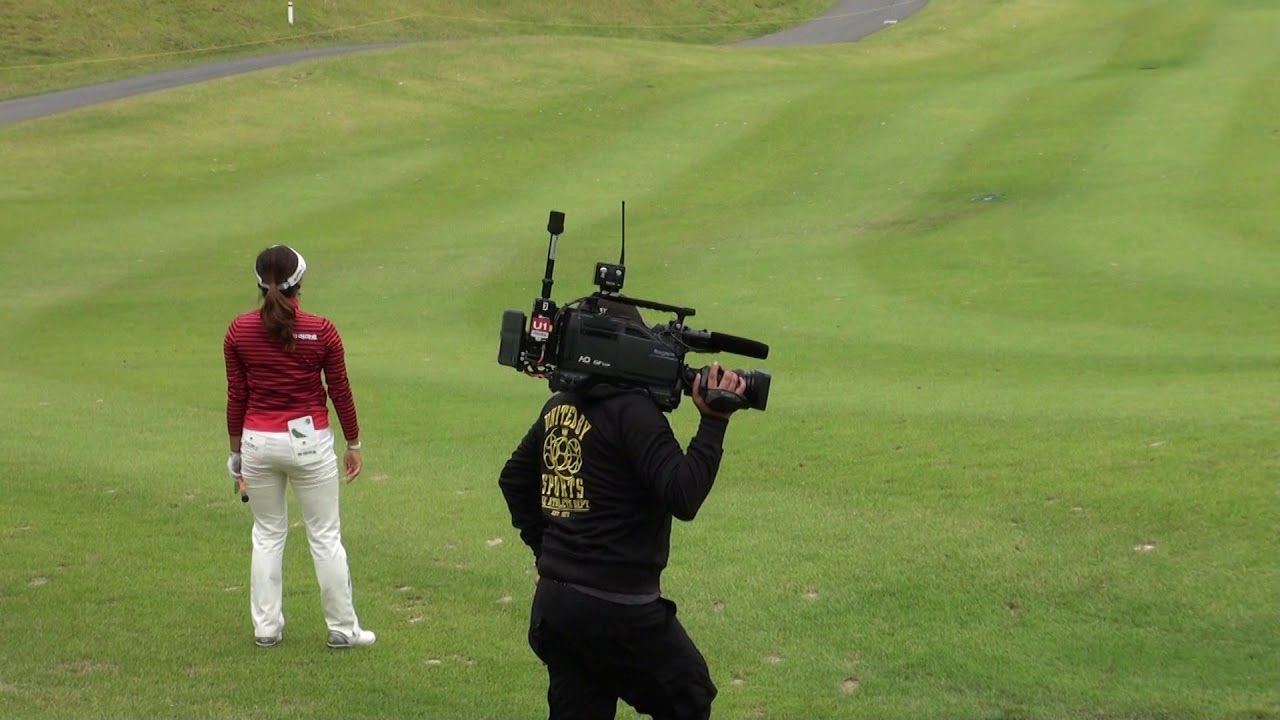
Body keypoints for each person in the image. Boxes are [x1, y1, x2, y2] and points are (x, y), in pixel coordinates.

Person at [498, 356, 750, 720]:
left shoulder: (559, 406)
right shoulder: (635, 413)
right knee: (689, 696)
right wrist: (714, 421)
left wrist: (549, 557)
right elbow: (683, 495)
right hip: (619, 608)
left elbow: (514, 480)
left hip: (558, 607)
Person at [223, 244, 375, 650]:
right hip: (309, 441)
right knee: (324, 536)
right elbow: (339, 390)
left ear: (259, 284)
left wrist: (235, 455)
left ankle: (266, 628)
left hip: (257, 441)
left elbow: (237, 394)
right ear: (300, 283)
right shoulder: (321, 330)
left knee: (267, 534)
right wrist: (354, 442)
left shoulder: (239, 331)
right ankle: (343, 628)